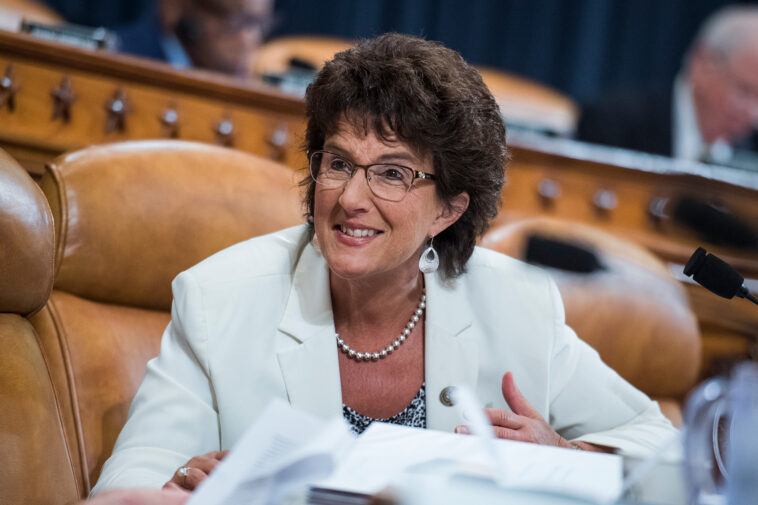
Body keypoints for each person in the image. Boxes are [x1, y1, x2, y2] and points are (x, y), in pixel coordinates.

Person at [92, 33, 676, 495]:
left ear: (448, 208)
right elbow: (131, 480)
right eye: (340, 162)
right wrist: (183, 487)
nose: (350, 197)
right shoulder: (218, 296)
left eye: (393, 173)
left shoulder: (517, 305)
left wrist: (566, 458)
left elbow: (661, 446)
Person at [577, 5, 758, 168]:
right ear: (702, 65)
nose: (753, 114)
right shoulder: (614, 122)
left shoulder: (750, 157)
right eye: (744, 91)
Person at [114, 0, 274, 77]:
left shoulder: (255, 82)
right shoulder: (117, 62)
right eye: (233, 21)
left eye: (257, 22)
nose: (247, 39)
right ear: (174, 6)